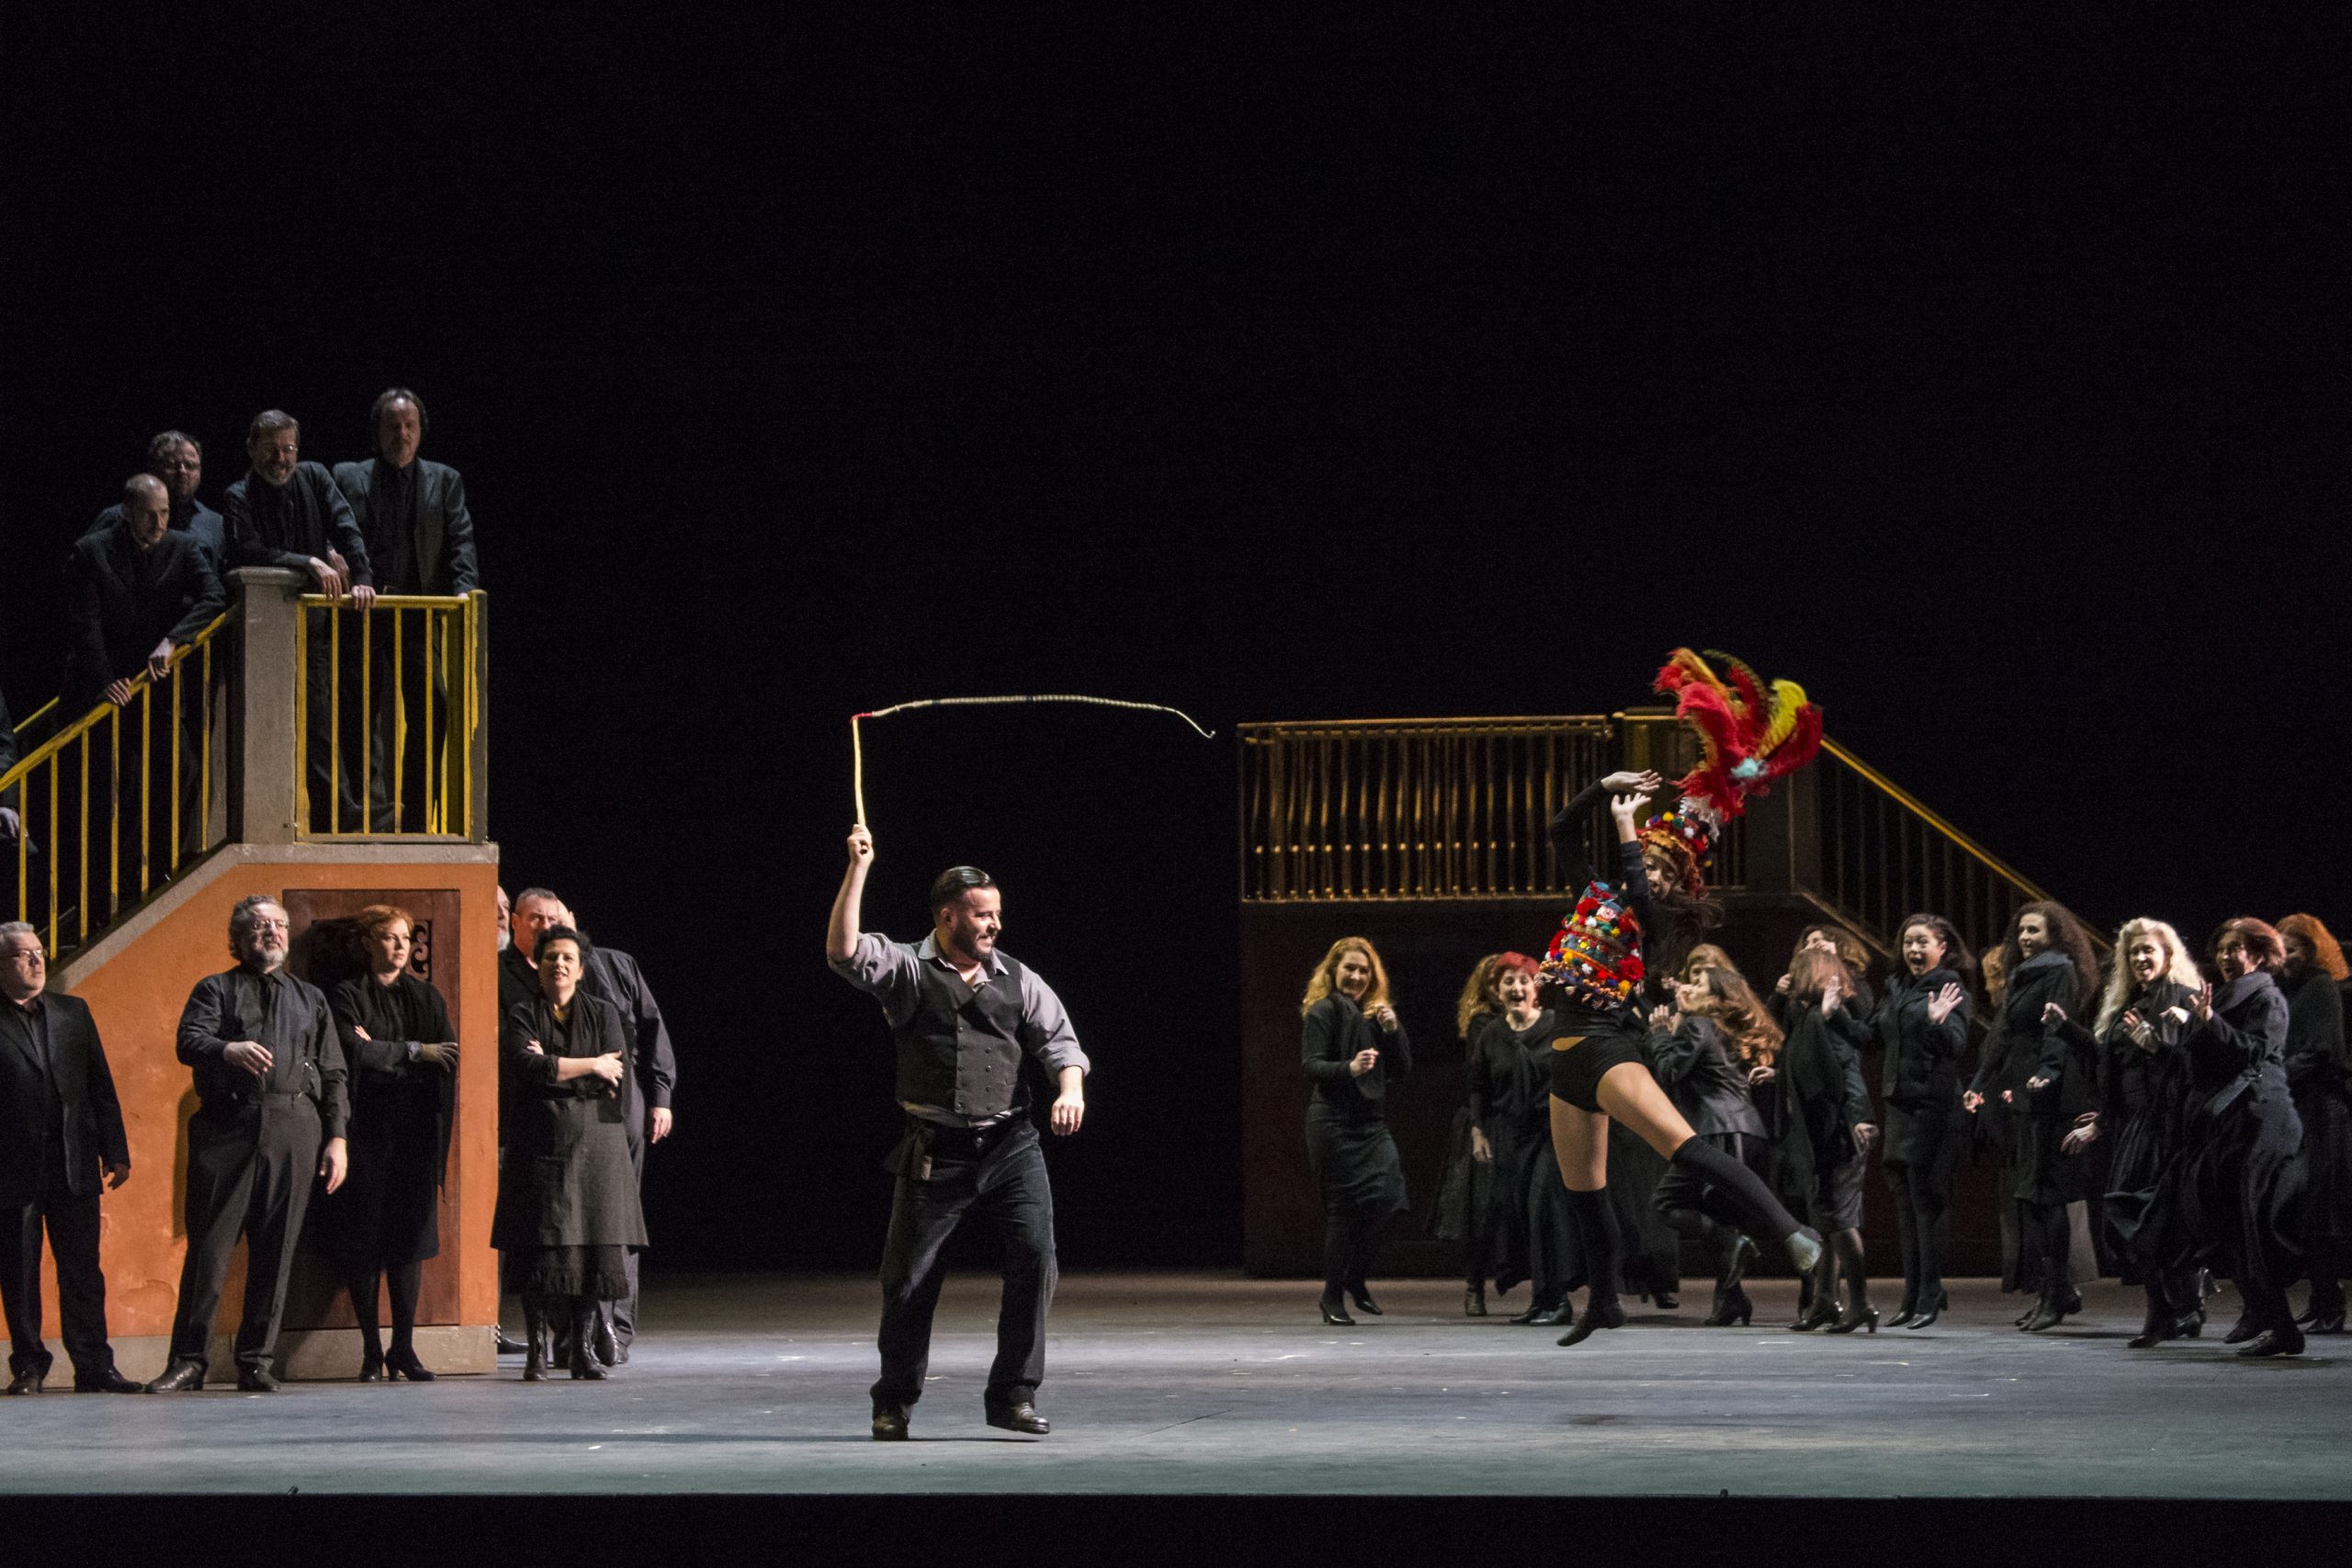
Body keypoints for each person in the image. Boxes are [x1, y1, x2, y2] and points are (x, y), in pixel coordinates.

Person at [828, 826, 1089, 1440]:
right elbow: (844, 952)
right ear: (947, 917)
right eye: (982, 914)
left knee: (1035, 1258)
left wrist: (1071, 1088)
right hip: (935, 1149)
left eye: (997, 913)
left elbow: (1060, 1041)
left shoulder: (1017, 976)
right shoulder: (907, 970)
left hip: (1011, 1144)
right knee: (908, 1279)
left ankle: (1013, 1396)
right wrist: (858, 869)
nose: (995, 924)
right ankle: (894, 1399)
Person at [148, 896, 350, 1392]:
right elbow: (188, 1041)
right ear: (239, 939)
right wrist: (227, 1049)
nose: (272, 932)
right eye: (259, 926)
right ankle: (189, 1360)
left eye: (278, 924)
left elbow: (334, 1073)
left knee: (276, 1251)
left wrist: (337, 1138)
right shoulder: (215, 989)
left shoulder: (311, 998)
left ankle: (256, 1360)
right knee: (210, 1251)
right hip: (227, 1128)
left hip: (294, 1127)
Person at [499, 886, 675, 1361]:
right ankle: (570, 1335)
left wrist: (660, 1095)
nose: (551, 929)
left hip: (615, 1108)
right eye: (538, 921)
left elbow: (639, 1040)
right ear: (520, 924)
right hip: (546, 1120)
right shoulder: (514, 983)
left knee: (611, 1219)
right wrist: (584, 1065)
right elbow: (526, 1063)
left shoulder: (617, 967)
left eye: (557, 920)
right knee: (557, 1230)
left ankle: (613, 1328)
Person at [61, 475, 227, 907]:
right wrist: (105, 680)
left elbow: (213, 596)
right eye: (149, 514)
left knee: (181, 774)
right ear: (127, 512)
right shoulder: (92, 551)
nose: (159, 522)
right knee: (116, 795)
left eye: (165, 512)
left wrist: (173, 640)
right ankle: (106, 897)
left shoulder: (182, 547)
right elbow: (85, 625)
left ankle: (159, 876)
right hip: (108, 692)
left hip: (158, 692)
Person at [2051, 919, 2205, 1347]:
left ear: (2168, 955)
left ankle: (2173, 1308)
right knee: (2129, 1219)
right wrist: (2101, 1122)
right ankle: (2173, 1306)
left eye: (2148, 950)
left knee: (2156, 1220)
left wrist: (2157, 1047)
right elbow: (2112, 1068)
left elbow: (2197, 1069)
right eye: (2133, 952)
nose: (2140, 958)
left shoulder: (2184, 999)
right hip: (2135, 1126)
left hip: (2171, 1126)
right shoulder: (2128, 1006)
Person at [334, 389, 481, 832]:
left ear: (421, 431)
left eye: (410, 425)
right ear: (377, 432)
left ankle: (416, 818)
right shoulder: (348, 475)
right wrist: (330, 554)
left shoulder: (444, 479)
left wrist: (463, 591)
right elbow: (330, 527)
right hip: (364, 612)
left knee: (433, 707)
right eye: (393, 426)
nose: (402, 433)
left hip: (416, 615)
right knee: (361, 714)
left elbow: (460, 540)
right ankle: (368, 815)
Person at [0, 922, 139, 1393]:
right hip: (12, 1166)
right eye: (23, 954)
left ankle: (95, 1365)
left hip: (73, 1161)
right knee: (19, 1271)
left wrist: (116, 1151)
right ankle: (29, 1366)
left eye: (39, 951)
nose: (36, 961)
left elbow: (101, 1085)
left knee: (82, 1270)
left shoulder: (72, 1011)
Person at [223, 411, 376, 831]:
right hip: (261, 632)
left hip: (314, 628)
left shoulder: (315, 476)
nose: (281, 459)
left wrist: (363, 578)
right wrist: (309, 561)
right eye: (272, 449)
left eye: (288, 449)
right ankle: (268, 819)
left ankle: (336, 815)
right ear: (251, 448)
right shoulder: (238, 495)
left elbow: (346, 527)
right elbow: (247, 550)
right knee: (267, 725)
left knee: (321, 720)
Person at [324, 905, 458, 1381]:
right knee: (363, 1241)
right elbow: (351, 1051)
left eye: (406, 938)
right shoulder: (347, 995)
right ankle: (370, 1350)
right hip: (363, 1133)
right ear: (368, 943)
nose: (402, 946)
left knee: (409, 1242)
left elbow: (448, 1055)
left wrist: (383, 1053)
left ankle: (403, 1347)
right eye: (390, 937)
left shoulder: (426, 996)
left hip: (415, 1134)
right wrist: (414, 1051)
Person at [1966, 901, 2101, 1330]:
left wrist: (2048, 1071)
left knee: (2048, 1196)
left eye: (2034, 931)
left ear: (2054, 936)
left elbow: (2057, 1028)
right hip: (2024, 1093)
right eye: (2021, 930)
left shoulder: (2060, 971)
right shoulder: (2022, 975)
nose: (2025, 938)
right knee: (2028, 1197)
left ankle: (2057, 1292)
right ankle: (2053, 1289)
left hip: (2052, 1094)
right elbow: (2003, 1034)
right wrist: (1978, 1082)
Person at [2175, 919, 2307, 1357]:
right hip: (2227, 1120)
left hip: (2261, 1117)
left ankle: (2283, 1326)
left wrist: (2209, 1021)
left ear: (2259, 954)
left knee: (2254, 1223)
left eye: (2235, 948)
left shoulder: (2267, 997)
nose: (2225, 956)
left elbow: (2257, 1052)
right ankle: (2259, 1311)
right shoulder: (2218, 998)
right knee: (2222, 1217)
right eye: (2222, 949)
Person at [1648, 962, 1780, 1326]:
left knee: (1665, 1203)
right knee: (1723, 1214)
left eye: (1699, 984)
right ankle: (1731, 1300)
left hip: (1716, 1129)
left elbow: (1670, 1071)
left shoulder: (1699, 1025)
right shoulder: (1723, 1026)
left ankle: (1730, 1248)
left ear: (1716, 997)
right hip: (1746, 1129)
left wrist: (1660, 1035)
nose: (1687, 988)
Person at [1760, 949, 1879, 1331]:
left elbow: (1848, 1071)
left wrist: (1861, 1117)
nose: (1790, 977)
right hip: (1819, 1136)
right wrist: (1778, 1076)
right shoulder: (1810, 1019)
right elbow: (1804, 1069)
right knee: (1827, 1220)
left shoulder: (1827, 1020)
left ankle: (1861, 1302)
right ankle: (1825, 1301)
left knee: (1839, 1220)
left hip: (1839, 1134)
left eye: (1796, 971)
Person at [1300, 937, 1413, 1326]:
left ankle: (1355, 1275)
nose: (1356, 976)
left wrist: (1393, 1029)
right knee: (1344, 1211)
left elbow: (1401, 1069)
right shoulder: (1323, 1010)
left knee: (1390, 1199)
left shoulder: (1375, 1016)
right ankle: (1332, 1295)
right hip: (1332, 1122)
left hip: (1370, 1125)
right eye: (1349, 968)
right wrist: (1348, 1068)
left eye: (1364, 970)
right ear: (1334, 970)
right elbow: (1311, 1065)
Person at [1871, 914, 1973, 1330]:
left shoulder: (1949, 986)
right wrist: (1833, 1013)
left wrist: (1936, 1022)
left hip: (1932, 1108)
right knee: (1904, 1206)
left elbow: (1957, 1044)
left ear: (1942, 948)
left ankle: (1930, 1293)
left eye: (1922, 942)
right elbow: (1871, 1035)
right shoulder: (1896, 987)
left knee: (1927, 1203)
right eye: (1908, 942)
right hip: (1899, 1108)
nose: (1913, 950)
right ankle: (1912, 1294)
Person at [2277, 914, 2349, 1333]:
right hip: (2300, 1107)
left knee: (2319, 1208)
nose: (2284, 957)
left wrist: (2275, 1075)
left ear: (2311, 951)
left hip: (2320, 1110)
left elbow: (2323, 1050)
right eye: (2280, 949)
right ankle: (2322, 1298)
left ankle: (2330, 1303)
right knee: (2305, 1207)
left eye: (2292, 949)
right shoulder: (2290, 990)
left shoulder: (2321, 986)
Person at [1435, 955, 1503, 1315]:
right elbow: (1480, 1079)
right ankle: (1474, 1286)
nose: (1501, 987)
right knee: (1483, 1212)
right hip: (1487, 1121)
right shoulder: (1483, 1023)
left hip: (1517, 1121)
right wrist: (1480, 1128)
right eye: (1494, 980)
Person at [85, 431, 226, 570]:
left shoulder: (214, 523)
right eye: (171, 465)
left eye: (190, 466)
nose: (182, 471)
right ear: (153, 469)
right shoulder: (118, 517)